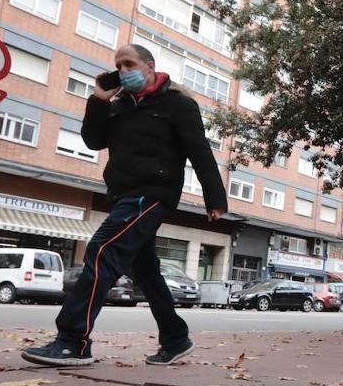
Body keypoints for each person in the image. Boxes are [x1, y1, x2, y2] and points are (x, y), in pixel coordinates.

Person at [23, 45, 227, 367]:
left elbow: (200, 151)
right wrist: (98, 101)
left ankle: (72, 341)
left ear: (149, 66)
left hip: (152, 194)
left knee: (102, 250)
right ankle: (176, 338)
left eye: (128, 64)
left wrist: (214, 199)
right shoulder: (118, 105)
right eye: (118, 66)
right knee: (144, 271)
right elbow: (93, 141)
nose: (122, 70)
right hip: (121, 194)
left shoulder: (177, 104)